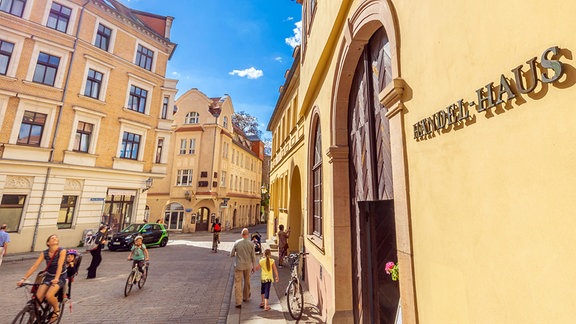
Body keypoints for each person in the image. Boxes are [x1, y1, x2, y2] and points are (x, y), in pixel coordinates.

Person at [17, 235, 67, 323]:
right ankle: (33, 319)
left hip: (60, 276)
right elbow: (34, 266)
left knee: (49, 296)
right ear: (48, 243)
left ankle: (56, 310)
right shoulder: (44, 253)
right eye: (52, 238)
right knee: (38, 299)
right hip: (49, 276)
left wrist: (56, 278)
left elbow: (60, 265)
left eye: (56, 237)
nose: (55, 238)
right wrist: (23, 279)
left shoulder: (62, 251)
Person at [230, 228, 256, 308]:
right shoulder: (251, 244)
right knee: (247, 281)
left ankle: (238, 302)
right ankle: (246, 297)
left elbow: (232, 254)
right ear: (247, 235)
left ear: (241, 235)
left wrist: (236, 254)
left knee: (238, 283)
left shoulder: (237, 243)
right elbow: (253, 257)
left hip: (239, 265)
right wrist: (254, 267)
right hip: (247, 265)